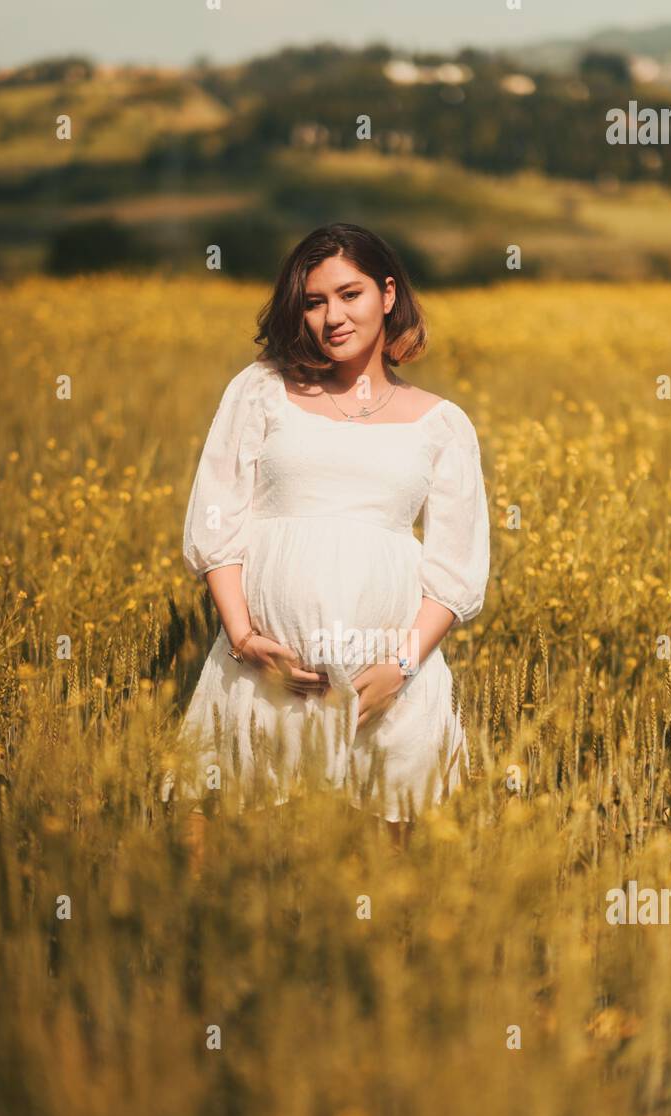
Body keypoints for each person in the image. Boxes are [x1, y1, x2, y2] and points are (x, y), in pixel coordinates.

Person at [161, 223, 490, 847]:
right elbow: (217, 522)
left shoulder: (443, 425)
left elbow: (455, 570)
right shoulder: (260, 391)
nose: (332, 316)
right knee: (223, 853)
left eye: (350, 294)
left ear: (388, 295)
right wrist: (245, 639)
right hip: (262, 676)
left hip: (388, 690)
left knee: (389, 874)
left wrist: (398, 668)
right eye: (314, 302)